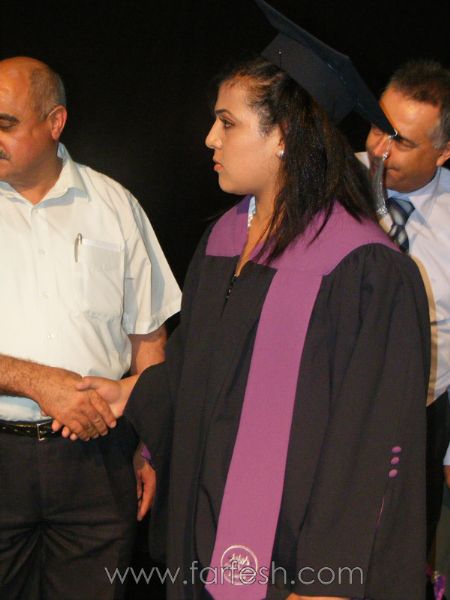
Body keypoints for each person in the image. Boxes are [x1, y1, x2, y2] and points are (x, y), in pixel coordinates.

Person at [77, 3, 430, 599]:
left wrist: (325, 581)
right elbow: (198, 372)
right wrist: (129, 393)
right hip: (203, 533)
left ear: (284, 135)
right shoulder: (223, 240)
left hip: (294, 561)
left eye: (227, 123)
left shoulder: (363, 269)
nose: (209, 138)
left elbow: (370, 442)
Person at [0, 56, 181, 599]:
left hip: (97, 458)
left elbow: (149, 337)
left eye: (6, 124)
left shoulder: (115, 207)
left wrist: (148, 445)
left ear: (55, 122)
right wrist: (40, 383)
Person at [359, 59, 450, 553]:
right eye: (379, 127)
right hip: (326, 416)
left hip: (418, 429)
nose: (381, 149)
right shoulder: (331, 183)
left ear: (445, 150)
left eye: (404, 142)